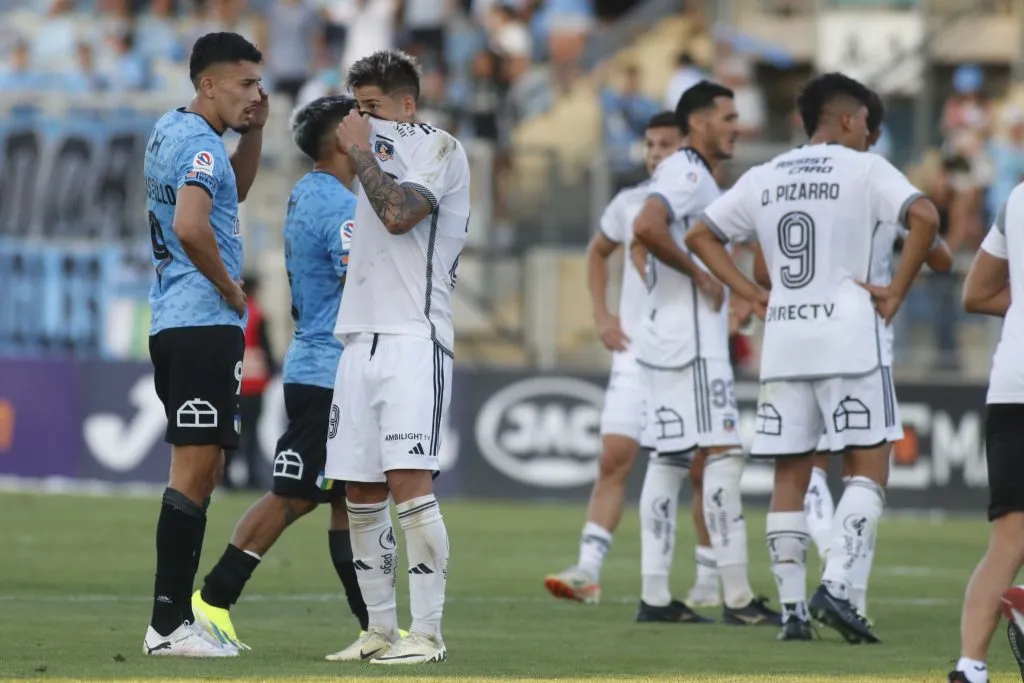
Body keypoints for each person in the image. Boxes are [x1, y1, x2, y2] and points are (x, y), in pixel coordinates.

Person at [685, 72, 939, 643]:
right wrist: (896, 291)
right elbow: (925, 217)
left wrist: (750, 294)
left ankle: (794, 614)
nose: (870, 136)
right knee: (870, 468)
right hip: (851, 336)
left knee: (790, 476)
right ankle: (840, 587)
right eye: (868, 125)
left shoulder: (765, 174)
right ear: (848, 120)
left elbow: (701, 235)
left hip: (785, 340)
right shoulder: (866, 168)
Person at [190, 95, 381, 654]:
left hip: (330, 366)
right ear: (344, 140)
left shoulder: (312, 192)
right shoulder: (338, 206)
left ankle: (374, 628)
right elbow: (362, 277)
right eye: (363, 127)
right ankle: (212, 600)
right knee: (296, 495)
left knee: (352, 501)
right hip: (328, 373)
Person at [326, 48, 470, 665]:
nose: (363, 120)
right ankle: (379, 630)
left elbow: (397, 215)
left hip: (415, 336)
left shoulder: (440, 148)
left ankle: (428, 633)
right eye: (357, 109)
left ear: (407, 104)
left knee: (408, 482)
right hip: (357, 336)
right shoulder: (367, 151)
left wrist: (361, 147)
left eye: (374, 108)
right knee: (359, 491)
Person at [544, 111, 722, 608]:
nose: (655, 153)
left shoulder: (705, 198)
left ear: (686, 146)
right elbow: (598, 253)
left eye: (665, 144)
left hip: (689, 353)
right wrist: (602, 314)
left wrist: (734, 305)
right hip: (636, 354)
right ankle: (588, 571)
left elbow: (738, 250)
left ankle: (708, 576)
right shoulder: (627, 204)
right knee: (613, 459)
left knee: (700, 468)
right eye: (649, 144)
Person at [795, 91, 953, 625]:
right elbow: (944, 255)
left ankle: (841, 592)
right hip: (863, 341)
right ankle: (840, 581)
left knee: (807, 464)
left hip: (798, 338)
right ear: (865, 130)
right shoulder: (876, 180)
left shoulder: (791, 180)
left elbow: (766, 269)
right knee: (869, 469)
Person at [629, 81, 779, 626]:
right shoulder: (689, 172)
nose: (737, 126)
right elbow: (645, 226)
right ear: (698, 124)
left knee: (668, 461)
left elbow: (641, 233)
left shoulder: (685, 174)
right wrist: (702, 275)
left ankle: (653, 595)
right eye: (729, 117)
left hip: (666, 336)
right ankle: (738, 598)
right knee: (722, 453)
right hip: (691, 342)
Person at [141, 31, 268, 657]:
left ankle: (176, 622)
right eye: (245, 84)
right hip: (199, 318)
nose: (257, 94)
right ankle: (167, 626)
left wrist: (254, 132)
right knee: (195, 469)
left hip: (176, 319)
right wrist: (231, 289)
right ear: (208, 84)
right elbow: (192, 225)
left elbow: (229, 194)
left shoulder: (176, 130)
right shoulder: (199, 145)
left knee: (209, 465)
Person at [949, 179, 1022, 683]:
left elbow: (976, 292)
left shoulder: (1017, 198)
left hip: (1012, 388)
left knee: (1009, 540)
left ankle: (970, 666)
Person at [229, 275, 276, 490]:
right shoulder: (259, 315)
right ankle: (251, 476)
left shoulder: (232, 312)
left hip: (233, 381)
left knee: (232, 431)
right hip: (255, 383)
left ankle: (225, 477)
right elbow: (267, 351)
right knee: (251, 432)